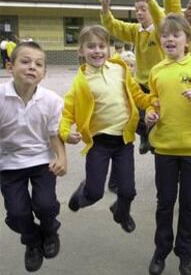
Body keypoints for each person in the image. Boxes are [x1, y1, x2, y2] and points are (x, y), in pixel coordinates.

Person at [59, 25, 150, 234]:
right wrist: (66, 133)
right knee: (94, 193)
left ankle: (121, 212)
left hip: (123, 141)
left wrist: (153, 101)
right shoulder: (80, 83)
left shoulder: (120, 68)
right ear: (80, 51)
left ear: (109, 48)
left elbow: (137, 95)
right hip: (98, 143)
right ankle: (82, 192)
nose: (97, 50)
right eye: (91, 46)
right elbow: (66, 114)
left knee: (128, 191)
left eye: (102, 45)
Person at [145, 13, 191, 275]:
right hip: (164, 147)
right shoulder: (156, 71)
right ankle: (160, 250)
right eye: (165, 35)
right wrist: (150, 112)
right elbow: (154, 99)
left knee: (188, 204)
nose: (170, 39)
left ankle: (184, 253)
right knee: (164, 203)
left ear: (187, 40)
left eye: (176, 34)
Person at [0, 41, 66, 272]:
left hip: (41, 159)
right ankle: (32, 241)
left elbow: (54, 134)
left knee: (46, 205)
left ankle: (50, 231)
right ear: (10, 66)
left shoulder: (52, 101)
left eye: (38, 64)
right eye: (25, 62)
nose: (32, 67)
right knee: (17, 213)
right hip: (8, 162)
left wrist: (62, 157)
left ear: (44, 74)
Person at [99, 0, 165, 155]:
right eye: (137, 10)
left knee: (159, 115)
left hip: (159, 83)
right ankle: (145, 134)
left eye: (143, 9)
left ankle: (155, 138)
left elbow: (160, 16)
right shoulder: (135, 30)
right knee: (128, 108)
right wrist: (105, 8)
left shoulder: (161, 29)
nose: (139, 13)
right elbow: (113, 26)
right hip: (141, 82)